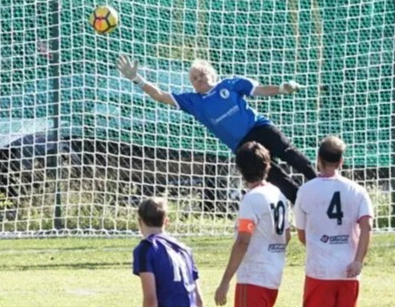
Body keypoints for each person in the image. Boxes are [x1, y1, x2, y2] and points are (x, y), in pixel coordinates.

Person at [117, 55, 317, 204]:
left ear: (212, 74)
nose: (199, 79)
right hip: (243, 145)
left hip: (260, 127)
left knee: (289, 153)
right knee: (273, 175)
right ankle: (305, 205)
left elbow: (259, 90)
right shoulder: (192, 101)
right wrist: (138, 79)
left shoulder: (230, 84)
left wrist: (282, 88)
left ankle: (322, 183)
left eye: (201, 74)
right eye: (194, 78)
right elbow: (160, 95)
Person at [293, 136, 373, 307]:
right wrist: (358, 260)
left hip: (319, 271)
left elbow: (302, 235)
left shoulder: (306, 190)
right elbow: (367, 227)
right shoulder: (357, 191)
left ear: (318, 159)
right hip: (348, 272)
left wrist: (321, 248)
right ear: (341, 161)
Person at [213, 141, 290, 307]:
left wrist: (225, 282)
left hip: (254, 277)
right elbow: (287, 235)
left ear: (240, 170)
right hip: (273, 274)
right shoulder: (278, 194)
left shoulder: (252, 199)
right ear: (267, 165)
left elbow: (242, 242)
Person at [133, 197, 205, 307]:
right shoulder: (184, 250)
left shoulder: (146, 249)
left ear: (139, 222)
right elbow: (198, 299)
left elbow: (151, 299)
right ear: (166, 221)